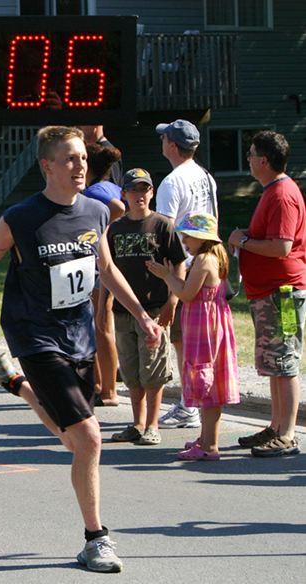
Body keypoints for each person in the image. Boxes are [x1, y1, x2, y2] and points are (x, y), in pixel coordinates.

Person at [0, 126, 163, 573]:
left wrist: (143, 315)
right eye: (70, 159)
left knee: (73, 439)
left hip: (79, 334)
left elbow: (105, 269)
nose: (81, 165)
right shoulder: (22, 216)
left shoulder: (95, 212)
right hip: (34, 334)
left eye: (83, 158)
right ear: (46, 165)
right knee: (89, 438)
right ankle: (96, 538)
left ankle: (19, 386)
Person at [228, 130, 305, 457]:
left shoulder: (283, 194)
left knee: (284, 359)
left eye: (250, 153)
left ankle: (287, 434)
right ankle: (274, 426)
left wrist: (243, 241)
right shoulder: (272, 191)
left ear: (264, 160)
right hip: (270, 293)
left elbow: (282, 246)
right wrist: (245, 235)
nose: (247, 159)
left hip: (283, 294)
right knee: (273, 362)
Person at [103, 169, 186, 446]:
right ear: (124, 194)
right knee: (131, 370)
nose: (140, 195)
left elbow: (179, 264)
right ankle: (137, 423)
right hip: (124, 312)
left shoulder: (162, 225)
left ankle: (152, 425)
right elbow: (107, 269)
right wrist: (104, 305)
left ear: (152, 192)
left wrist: (173, 300)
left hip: (154, 310)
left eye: (145, 189)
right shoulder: (115, 228)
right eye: (134, 190)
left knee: (153, 371)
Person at [148, 212, 240, 460]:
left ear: (202, 237)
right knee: (208, 382)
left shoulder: (203, 260)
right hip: (209, 324)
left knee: (205, 383)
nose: (184, 240)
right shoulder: (211, 257)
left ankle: (209, 447)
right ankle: (207, 439)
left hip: (204, 328)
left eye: (188, 236)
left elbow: (187, 295)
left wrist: (166, 276)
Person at [154, 119, 218, 430]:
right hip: (207, 262)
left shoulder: (171, 182)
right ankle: (199, 399)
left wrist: (166, 280)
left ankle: (189, 405)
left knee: (181, 341)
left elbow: (164, 232)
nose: (162, 142)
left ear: (173, 146)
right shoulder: (206, 176)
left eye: (165, 138)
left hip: (183, 265)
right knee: (199, 340)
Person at [84, 142, 126, 407]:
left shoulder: (96, 189)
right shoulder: (109, 185)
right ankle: (99, 385)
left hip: (105, 265)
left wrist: (107, 226)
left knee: (102, 325)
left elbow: (119, 209)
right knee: (96, 325)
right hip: (100, 264)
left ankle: (109, 391)